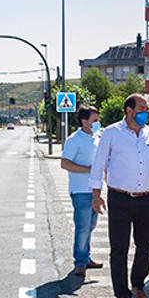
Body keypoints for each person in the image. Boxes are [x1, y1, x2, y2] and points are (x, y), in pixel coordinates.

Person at [90, 94, 149, 298]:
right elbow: (99, 164)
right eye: (142, 108)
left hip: (148, 198)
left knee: (145, 244)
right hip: (120, 198)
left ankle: (138, 284)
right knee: (119, 247)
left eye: (147, 109)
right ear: (129, 110)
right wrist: (96, 194)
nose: (146, 112)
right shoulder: (111, 133)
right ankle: (122, 295)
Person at [61, 105, 103, 277]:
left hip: (96, 190)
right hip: (80, 190)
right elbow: (65, 163)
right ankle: (80, 262)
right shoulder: (74, 140)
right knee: (83, 226)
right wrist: (88, 169)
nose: (97, 123)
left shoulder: (97, 137)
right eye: (94, 120)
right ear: (84, 121)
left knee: (91, 226)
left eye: (98, 120)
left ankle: (86, 257)